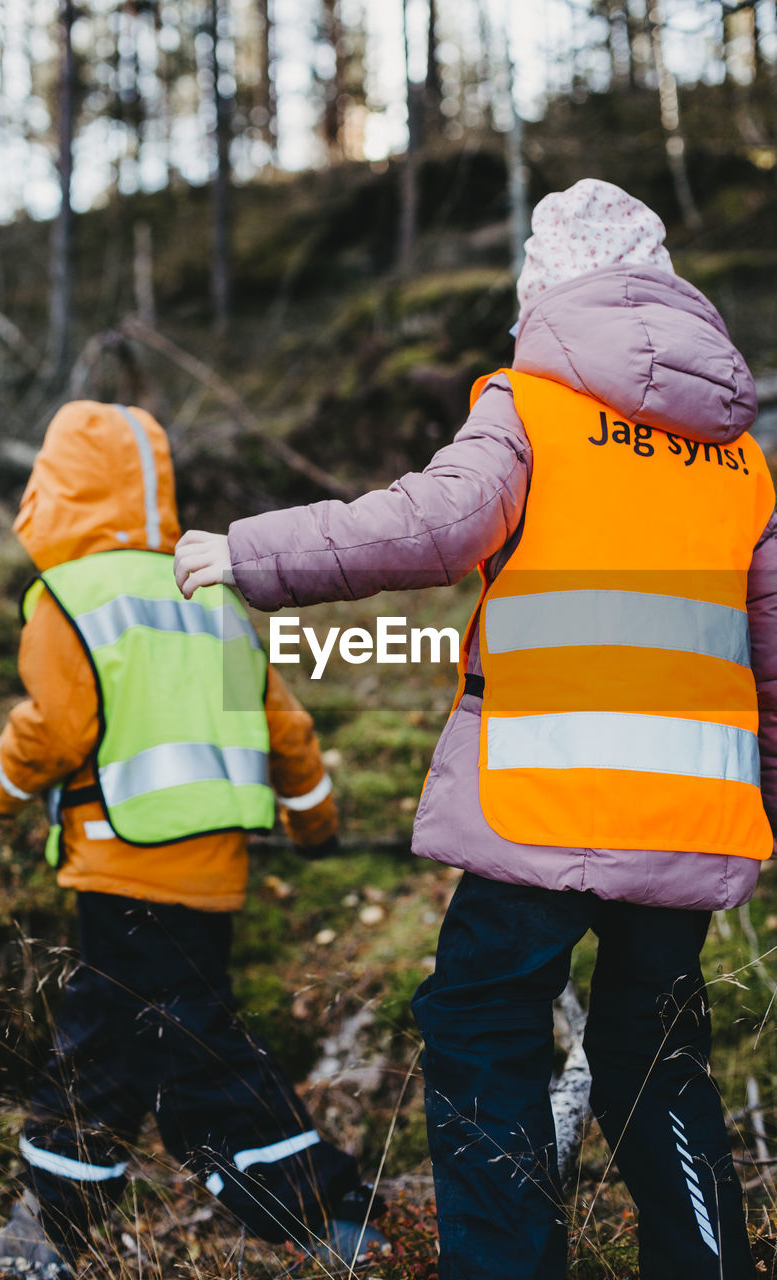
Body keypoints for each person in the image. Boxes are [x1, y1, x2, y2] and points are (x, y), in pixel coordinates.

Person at [173, 178, 777, 1280]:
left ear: (544, 290)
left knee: (478, 1027)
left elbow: (437, 522)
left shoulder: (529, 401)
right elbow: (774, 655)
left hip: (542, 797)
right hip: (691, 811)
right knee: (657, 1054)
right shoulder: (740, 457)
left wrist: (253, 552)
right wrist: (761, 801)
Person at [0, 400, 386, 1280]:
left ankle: (326, 1214)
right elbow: (285, 728)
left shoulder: (66, 599)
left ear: (54, 490)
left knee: (164, 1051)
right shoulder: (209, 591)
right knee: (126, 1050)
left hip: (123, 868)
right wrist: (314, 823)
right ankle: (53, 1232)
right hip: (212, 877)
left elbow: (53, 730)